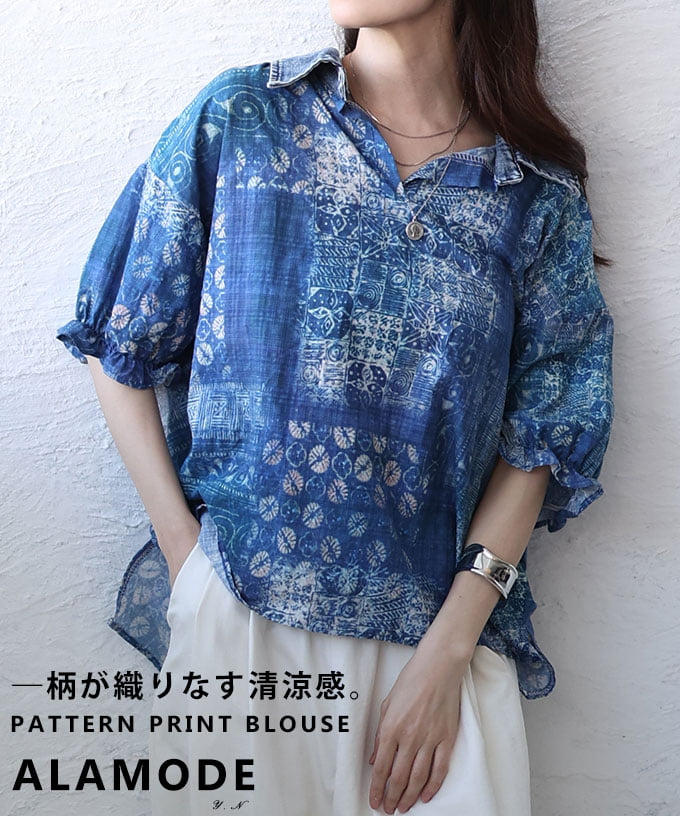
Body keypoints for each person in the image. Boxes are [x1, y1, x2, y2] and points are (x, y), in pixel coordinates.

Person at [56, 0, 614, 813]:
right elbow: (121, 339)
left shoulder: (531, 197)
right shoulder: (244, 121)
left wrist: (449, 651)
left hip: (438, 661)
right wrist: (190, 567)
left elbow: (544, 436)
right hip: (245, 630)